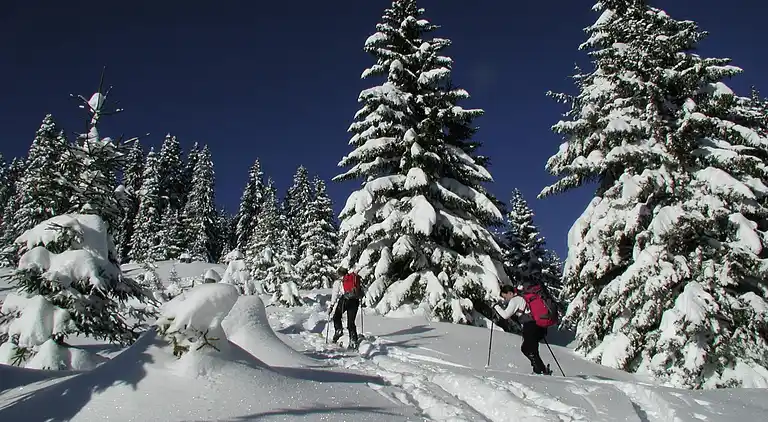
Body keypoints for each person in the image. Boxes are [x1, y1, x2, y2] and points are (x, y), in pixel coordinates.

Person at [494, 284, 552, 375]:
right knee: (532, 349)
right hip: (538, 325)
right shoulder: (522, 297)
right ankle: (540, 370)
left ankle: (541, 370)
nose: (505, 300)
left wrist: (496, 307)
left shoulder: (515, 300)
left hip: (530, 326)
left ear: (510, 293)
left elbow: (505, 315)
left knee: (526, 348)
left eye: (505, 297)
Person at [329, 266, 363, 348]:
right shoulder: (353, 278)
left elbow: (335, 294)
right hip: (355, 301)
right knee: (351, 322)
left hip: (345, 301)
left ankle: (338, 330)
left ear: (339, 273)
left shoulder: (339, 281)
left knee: (336, 316)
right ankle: (353, 340)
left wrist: (331, 305)